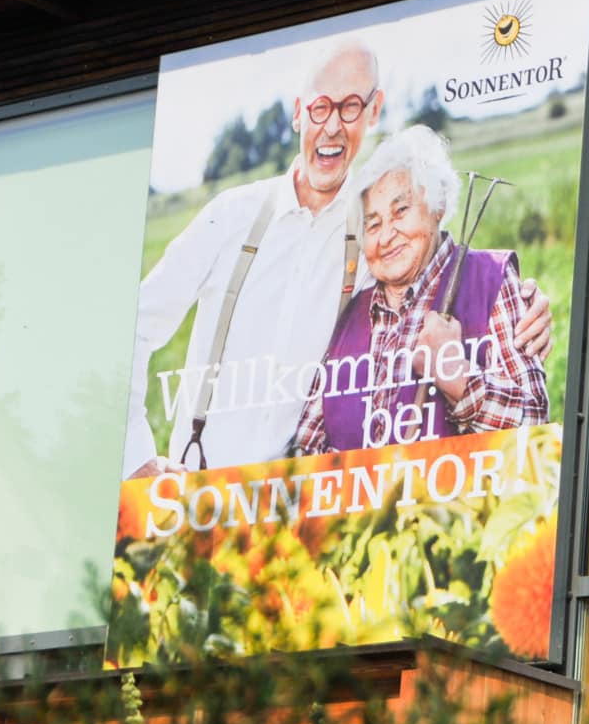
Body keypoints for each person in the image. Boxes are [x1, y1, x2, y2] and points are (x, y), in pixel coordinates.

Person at [126, 41, 552, 476]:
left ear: (372, 111)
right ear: (297, 112)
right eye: (319, 108)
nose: (331, 126)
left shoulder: (371, 232)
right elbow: (134, 325)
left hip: (294, 512)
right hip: (197, 493)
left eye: (349, 107)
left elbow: (439, 262)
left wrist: (519, 296)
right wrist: (137, 459)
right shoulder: (229, 217)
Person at [294, 125, 549, 454]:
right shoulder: (350, 312)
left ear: (437, 207)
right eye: (372, 224)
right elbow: (305, 447)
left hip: (457, 504)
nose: (386, 236)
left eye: (401, 211)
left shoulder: (491, 281)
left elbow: (535, 422)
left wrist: (457, 378)